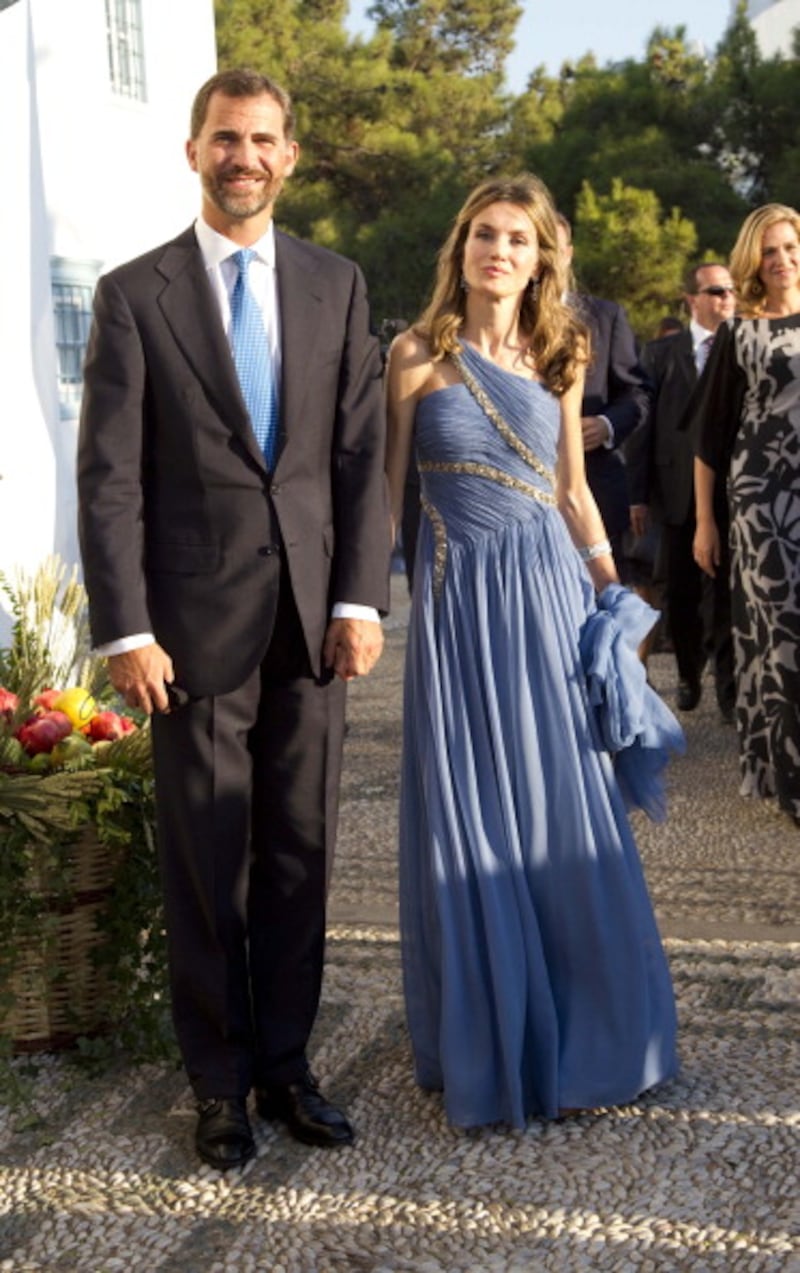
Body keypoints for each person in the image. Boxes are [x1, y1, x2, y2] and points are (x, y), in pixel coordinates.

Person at [77, 68, 390, 1169]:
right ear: (193, 150)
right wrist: (127, 629)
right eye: (224, 138)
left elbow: (359, 458)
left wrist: (359, 595)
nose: (242, 156)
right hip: (189, 637)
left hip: (311, 624)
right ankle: (216, 1081)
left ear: (289, 155)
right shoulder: (134, 294)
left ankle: (284, 1064)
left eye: (261, 139)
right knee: (208, 863)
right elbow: (110, 477)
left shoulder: (336, 284)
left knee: (300, 853)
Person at [385, 174, 683, 1129]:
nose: (497, 250)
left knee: (567, 809)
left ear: (542, 255)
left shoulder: (563, 352)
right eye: (482, 233)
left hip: (551, 602)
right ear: (460, 247)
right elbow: (385, 499)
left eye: (517, 237)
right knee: (472, 814)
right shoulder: (413, 358)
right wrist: (365, 604)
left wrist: (614, 596)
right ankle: (499, 1038)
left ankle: (597, 1034)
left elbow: (573, 491)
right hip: (459, 612)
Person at [691, 203, 800, 826]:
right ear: (752, 262)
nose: (781, 260)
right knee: (778, 639)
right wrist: (706, 522)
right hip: (762, 504)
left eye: (789, 247)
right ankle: (788, 779)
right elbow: (710, 438)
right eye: (769, 251)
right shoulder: (741, 334)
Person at [633, 263, 736, 718]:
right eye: (715, 291)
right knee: (681, 592)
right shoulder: (659, 355)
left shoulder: (741, 348)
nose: (726, 299)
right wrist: (638, 494)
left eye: (730, 290)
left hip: (733, 493)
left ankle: (732, 693)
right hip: (674, 493)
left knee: (729, 596)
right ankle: (690, 674)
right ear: (691, 299)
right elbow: (642, 429)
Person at [555, 214, 651, 569]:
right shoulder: (502, 319)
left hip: (594, 493)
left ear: (568, 253)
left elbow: (638, 393)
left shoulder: (605, 317)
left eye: (555, 247)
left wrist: (607, 425)